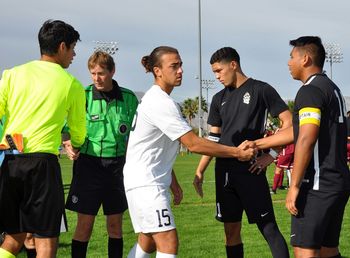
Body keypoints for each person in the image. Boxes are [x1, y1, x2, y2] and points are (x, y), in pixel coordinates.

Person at [123, 46, 257, 258]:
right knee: (168, 242)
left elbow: (155, 149)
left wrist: (173, 181)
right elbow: (193, 143)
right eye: (174, 66)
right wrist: (237, 153)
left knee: (147, 242)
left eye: (181, 65)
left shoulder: (162, 101)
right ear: (157, 71)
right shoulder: (160, 102)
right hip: (146, 184)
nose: (180, 70)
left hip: (147, 181)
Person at [255, 36, 350, 258]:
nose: (288, 63)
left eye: (291, 57)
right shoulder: (331, 88)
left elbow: (306, 138)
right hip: (336, 181)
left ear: (305, 59)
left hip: (317, 185)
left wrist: (295, 185)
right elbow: (298, 130)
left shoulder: (310, 90)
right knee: (328, 251)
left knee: (304, 252)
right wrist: (259, 143)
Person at [193, 47, 292, 258]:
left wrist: (272, 155)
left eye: (219, 70)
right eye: (214, 73)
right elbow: (213, 139)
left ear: (233, 64)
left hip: (250, 170)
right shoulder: (218, 98)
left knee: (268, 228)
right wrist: (200, 170)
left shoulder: (261, 89)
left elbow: (289, 122)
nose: (217, 76)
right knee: (231, 233)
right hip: (224, 173)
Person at [0, 20, 86, 258]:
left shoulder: (12, 74)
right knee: (46, 239)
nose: (74, 54)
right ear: (61, 47)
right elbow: (79, 130)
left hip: (10, 161)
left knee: (13, 236)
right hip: (41, 165)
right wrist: (75, 144)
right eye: (72, 48)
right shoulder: (72, 84)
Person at [64, 50, 139, 258]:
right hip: (88, 166)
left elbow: (138, 134)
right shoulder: (83, 96)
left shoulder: (130, 99)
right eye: (93, 73)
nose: (97, 78)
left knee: (115, 226)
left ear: (112, 71)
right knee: (84, 226)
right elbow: (65, 127)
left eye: (101, 73)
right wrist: (68, 144)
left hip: (117, 167)